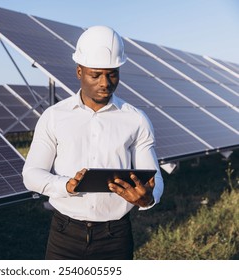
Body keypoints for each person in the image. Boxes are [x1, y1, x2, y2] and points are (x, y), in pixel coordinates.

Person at [22, 26, 164, 260]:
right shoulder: (54, 116)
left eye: (112, 74)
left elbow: (154, 178)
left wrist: (148, 198)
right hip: (64, 234)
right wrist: (66, 185)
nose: (105, 83)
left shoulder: (136, 119)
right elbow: (32, 174)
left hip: (115, 236)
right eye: (95, 74)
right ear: (79, 71)